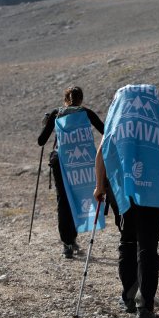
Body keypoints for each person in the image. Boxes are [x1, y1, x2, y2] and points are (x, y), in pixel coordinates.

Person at [94, 84, 159, 318]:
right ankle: (146, 304)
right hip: (154, 190)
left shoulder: (117, 120)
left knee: (127, 240)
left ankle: (128, 295)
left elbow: (102, 154)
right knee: (148, 245)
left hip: (122, 190)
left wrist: (99, 186)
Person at [38, 86, 105, 258]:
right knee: (78, 197)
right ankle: (72, 238)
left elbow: (41, 141)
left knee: (63, 200)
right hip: (83, 164)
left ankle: (67, 243)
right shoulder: (86, 113)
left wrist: (47, 124)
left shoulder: (56, 113)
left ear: (65, 99)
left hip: (61, 163)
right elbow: (106, 131)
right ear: (81, 99)